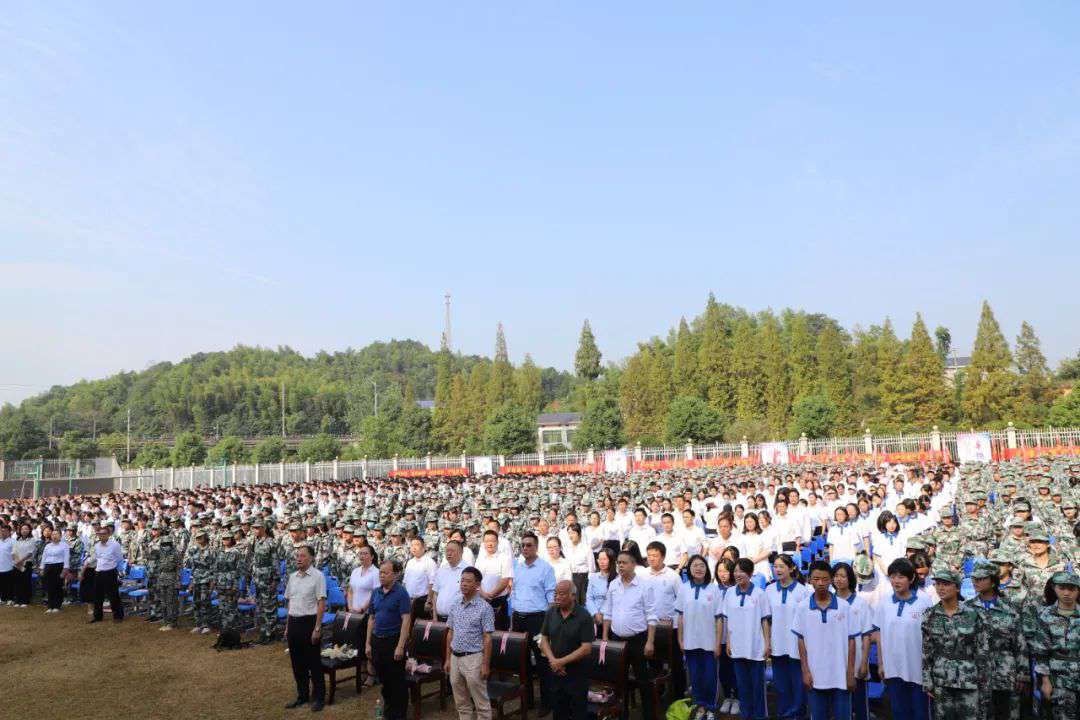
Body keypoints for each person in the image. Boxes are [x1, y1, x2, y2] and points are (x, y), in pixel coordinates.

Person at [791, 561, 859, 720]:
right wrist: (805, 671)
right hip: (815, 676)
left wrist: (850, 673)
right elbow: (801, 641)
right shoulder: (802, 607)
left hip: (840, 676)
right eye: (816, 579)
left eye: (824, 579)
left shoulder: (844, 607)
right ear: (809, 580)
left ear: (831, 580)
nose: (820, 583)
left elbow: (851, 641)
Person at [870, 558, 933, 720]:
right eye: (893, 576)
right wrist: (881, 664)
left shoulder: (924, 601)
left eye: (901, 577)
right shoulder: (884, 603)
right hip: (893, 669)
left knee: (920, 714)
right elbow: (879, 635)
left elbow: (931, 637)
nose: (896, 581)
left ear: (911, 579)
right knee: (899, 713)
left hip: (918, 670)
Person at [921, 567, 988, 720]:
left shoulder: (974, 614)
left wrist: (985, 685)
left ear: (957, 587)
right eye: (937, 584)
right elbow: (927, 651)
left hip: (969, 680)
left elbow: (983, 652)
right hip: (941, 680)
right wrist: (927, 682)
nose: (940, 588)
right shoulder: (929, 615)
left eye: (945, 584)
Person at [966, 561, 1027, 720]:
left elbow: (1020, 643)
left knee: (1004, 712)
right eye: (974, 579)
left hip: (1005, 671)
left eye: (981, 579)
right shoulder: (967, 608)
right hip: (976, 670)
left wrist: (1023, 674)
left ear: (993, 581)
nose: (975, 582)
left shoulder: (1010, 608)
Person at [601, 549, 657, 720]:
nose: (620, 566)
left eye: (624, 562)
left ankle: (648, 715)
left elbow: (651, 615)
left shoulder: (644, 585)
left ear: (634, 564)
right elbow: (608, 612)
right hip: (617, 640)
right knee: (618, 680)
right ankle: (621, 715)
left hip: (638, 640)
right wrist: (604, 637)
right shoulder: (613, 585)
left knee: (643, 681)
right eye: (618, 562)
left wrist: (650, 641)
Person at [510, 532, 556, 715]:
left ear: (536, 547)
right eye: (523, 545)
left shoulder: (545, 568)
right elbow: (515, 592)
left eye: (529, 545)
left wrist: (548, 625)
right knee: (522, 662)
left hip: (538, 620)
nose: (525, 548)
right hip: (519, 619)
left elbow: (552, 599)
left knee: (543, 662)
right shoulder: (518, 567)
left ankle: (547, 702)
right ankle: (527, 700)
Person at [722, 557, 771, 720]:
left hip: (755, 646)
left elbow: (764, 620)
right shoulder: (729, 593)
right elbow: (728, 620)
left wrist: (767, 644)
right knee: (742, 685)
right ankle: (746, 714)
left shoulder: (760, 594)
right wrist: (728, 641)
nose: (737, 574)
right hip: (737, 646)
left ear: (750, 573)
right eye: (735, 571)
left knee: (757, 686)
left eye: (742, 571)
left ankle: (759, 715)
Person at [539, 579, 594, 720]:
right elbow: (544, 639)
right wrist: (553, 661)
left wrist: (561, 661)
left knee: (578, 712)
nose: (557, 597)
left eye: (562, 594)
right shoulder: (551, 612)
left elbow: (586, 648)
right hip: (556, 671)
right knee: (558, 710)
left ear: (573, 596)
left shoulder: (584, 616)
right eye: (555, 593)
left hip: (577, 673)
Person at [445, 566, 495, 720]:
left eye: (468, 581)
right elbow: (450, 633)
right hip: (455, 658)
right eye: (462, 580)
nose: (464, 584)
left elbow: (488, 638)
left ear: (477, 584)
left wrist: (485, 664)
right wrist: (447, 659)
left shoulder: (485, 608)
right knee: (461, 702)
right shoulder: (455, 605)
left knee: (481, 703)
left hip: (474, 659)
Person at [675, 554, 723, 713]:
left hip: (709, 643)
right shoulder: (684, 588)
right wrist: (681, 640)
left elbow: (719, 619)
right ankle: (700, 707)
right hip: (690, 642)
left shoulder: (713, 589)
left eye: (702, 565)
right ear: (689, 569)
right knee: (695, 677)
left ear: (706, 569)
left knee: (710, 677)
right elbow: (680, 617)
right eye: (695, 565)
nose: (699, 568)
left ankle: (711, 707)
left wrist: (717, 644)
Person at [1030, 571, 1080, 720]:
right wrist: (1045, 681)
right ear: (1054, 588)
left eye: (1071, 589)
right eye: (1062, 588)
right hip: (1058, 678)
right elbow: (1040, 652)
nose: (1066, 593)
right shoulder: (1045, 616)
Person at [283, 544, 327, 712]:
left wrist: (317, 628)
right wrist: (288, 626)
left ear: (311, 558)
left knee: (313, 662)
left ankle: (319, 697)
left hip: (309, 622)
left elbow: (321, 602)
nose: (298, 559)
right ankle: (302, 696)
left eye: (302, 556)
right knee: (297, 663)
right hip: (294, 622)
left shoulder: (318, 576)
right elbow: (290, 603)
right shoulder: (293, 577)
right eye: (297, 556)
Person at [766, 554, 810, 720]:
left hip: (796, 645)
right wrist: (768, 641)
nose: (777, 569)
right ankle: (783, 713)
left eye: (781, 566)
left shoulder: (802, 591)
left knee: (798, 683)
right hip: (777, 644)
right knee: (781, 684)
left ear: (791, 568)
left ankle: (798, 713)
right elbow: (767, 620)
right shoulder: (769, 590)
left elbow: (806, 622)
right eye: (775, 566)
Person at [367, 559, 412, 720]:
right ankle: (389, 710)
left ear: (394, 575)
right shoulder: (376, 592)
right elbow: (371, 618)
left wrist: (400, 646)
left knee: (397, 681)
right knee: (384, 679)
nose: (382, 575)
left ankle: (399, 714)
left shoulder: (401, 593)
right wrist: (368, 643)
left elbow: (406, 620)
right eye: (380, 572)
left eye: (385, 572)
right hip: (377, 641)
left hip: (393, 641)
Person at [475, 529, 513, 630]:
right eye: (487, 541)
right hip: (481, 600)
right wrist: (483, 594)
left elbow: (505, 580)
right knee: (482, 632)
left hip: (498, 601)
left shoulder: (505, 558)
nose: (489, 544)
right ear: (483, 543)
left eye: (492, 541)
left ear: (497, 542)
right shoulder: (480, 559)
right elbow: (475, 580)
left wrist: (491, 595)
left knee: (498, 633)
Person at [87, 524, 124, 623]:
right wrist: (87, 562)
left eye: (104, 534)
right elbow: (95, 558)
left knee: (113, 595)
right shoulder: (96, 545)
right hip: (99, 571)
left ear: (108, 534)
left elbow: (119, 558)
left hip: (110, 571)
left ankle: (118, 616)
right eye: (99, 534)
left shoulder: (115, 544)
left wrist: (120, 571)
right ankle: (97, 616)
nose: (101, 536)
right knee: (97, 595)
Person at [432, 540, 467, 621]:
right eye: (447, 551)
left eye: (452, 551)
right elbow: (435, 594)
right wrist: (434, 617)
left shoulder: (468, 570)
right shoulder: (441, 569)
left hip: (458, 620)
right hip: (439, 619)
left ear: (461, 552)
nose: (449, 553)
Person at [404, 536, 437, 620]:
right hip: (408, 601)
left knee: (420, 629)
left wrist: (429, 601)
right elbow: (405, 582)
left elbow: (432, 583)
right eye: (412, 545)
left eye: (417, 545)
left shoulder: (429, 562)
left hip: (422, 601)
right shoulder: (410, 562)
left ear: (423, 547)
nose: (414, 547)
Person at [38, 527, 69, 613]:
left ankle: (57, 606)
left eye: (56, 534)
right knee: (49, 587)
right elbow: (44, 557)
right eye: (53, 534)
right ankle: (50, 606)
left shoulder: (64, 545)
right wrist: (42, 568)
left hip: (59, 566)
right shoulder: (48, 546)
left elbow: (66, 558)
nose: (54, 536)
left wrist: (65, 569)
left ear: (60, 536)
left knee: (58, 586)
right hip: (48, 567)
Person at [585, 547, 617, 627]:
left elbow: (613, 600)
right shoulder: (593, 577)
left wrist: (602, 613)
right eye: (599, 559)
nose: (601, 562)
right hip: (594, 616)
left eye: (605, 559)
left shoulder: (617, 579)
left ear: (611, 560)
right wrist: (595, 613)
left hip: (610, 617)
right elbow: (589, 598)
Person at [11, 523, 36, 608]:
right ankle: (18, 600)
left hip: (27, 563)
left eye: (26, 529)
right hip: (17, 563)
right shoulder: (17, 540)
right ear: (20, 530)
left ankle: (25, 600)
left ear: (29, 530)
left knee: (25, 582)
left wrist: (21, 561)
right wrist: (17, 561)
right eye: (22, 529)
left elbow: (30, 553)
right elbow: (14, 552)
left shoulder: (32, 540)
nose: (24, 530)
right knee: (17, 582)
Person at [0, 524, 14, 605]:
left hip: (9, 566)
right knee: (1, 584)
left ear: (9, 532)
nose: (2, 532)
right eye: (1, 531)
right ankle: (3, 598)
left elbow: (15, 554)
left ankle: (10, 599)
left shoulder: (13, 541)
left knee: (9, 584)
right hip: (0, 566)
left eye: (5, 531)